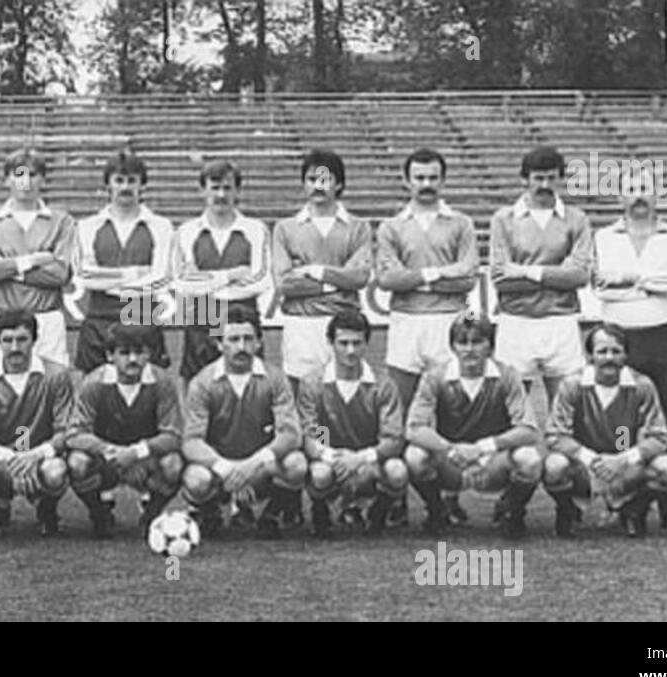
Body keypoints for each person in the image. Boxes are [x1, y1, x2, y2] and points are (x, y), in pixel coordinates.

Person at [376, 147, 480, 527]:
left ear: (443, 179)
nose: (426, 184)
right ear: (406, 180)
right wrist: (438, 275)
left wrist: (416, 276)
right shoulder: (391, 226)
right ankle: (397, 496)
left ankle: (449, 498)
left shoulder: (460, 223)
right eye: (419, 177)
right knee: (399, 412)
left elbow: (469, 275)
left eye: (433, 177)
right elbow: (388, 279)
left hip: (448, 322)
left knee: (447, 414)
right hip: (405, 324)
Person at [591, 167, 667, 532]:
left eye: (645, 188)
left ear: (657, 194)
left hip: (663, 333)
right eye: (630, 188)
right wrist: (651, 286)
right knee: (622, 422)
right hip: (619, 336)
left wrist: (632, 280)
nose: (638, 195)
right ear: (619, 196)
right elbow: (601, 289)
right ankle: (620, 501)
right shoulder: (603, 237)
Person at [404, 313, 543, 538]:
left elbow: (529, 430)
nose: (469, 349)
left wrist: (483, 447)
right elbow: (413, 428)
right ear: (452, 347)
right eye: (462, 342)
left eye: (477, 341)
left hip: (493, 462)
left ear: (490, 346)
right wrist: (449, 448)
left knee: (529, 457)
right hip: (452, 461)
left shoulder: (507, 375)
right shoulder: (435, 377)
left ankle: (511, 511)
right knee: (415, 455)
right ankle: (437, 511)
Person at [543, 324, 667, 538]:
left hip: (624, 465)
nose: (609, 358)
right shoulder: (572, 385)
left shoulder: (641, 386)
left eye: (616, 351)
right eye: (602, 351)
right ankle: (568, 511)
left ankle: (633, 510)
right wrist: (591, 459)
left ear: (625, 355)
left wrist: (622, 459)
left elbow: (660, 436)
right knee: (554, 466)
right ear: (590, 355)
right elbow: (555, 434)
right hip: (583, 467)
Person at [181, 305, 306, 539]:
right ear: (219, 344)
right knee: (195, 478)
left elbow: (291, 434)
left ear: (259, 342)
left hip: (260, 469)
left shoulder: (276, 379)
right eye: (233, 339)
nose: (241, 347)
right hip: (220, 471)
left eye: (248, 339)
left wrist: (252, 465)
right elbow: (191, 441)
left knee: (296, 463)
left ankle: (271, 516)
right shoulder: (202, 382)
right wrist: (226, 468)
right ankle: (211, 514)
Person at [489, 146, 593, 407]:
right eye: (538, 178)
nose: (545, 185)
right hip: (516, 320)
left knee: (566, 406)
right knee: (512, 407)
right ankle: (520, 450)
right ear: (525, 179)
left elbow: (579, 276)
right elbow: (501, 278)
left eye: (551, 178)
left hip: (562, 320)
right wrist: (557, 274)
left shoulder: (576, 219)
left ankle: (562, 449)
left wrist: (526, 271)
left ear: (560, 179)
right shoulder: (504, 219)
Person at [0, 309, 74, 538]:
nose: (14, 347)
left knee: (56, 471)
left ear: (34, 340)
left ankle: (47, 510)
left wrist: (36, 454)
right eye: (7, 340)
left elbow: (67, 430)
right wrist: (10, 457)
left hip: (39, 459)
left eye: (22, 339)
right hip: (1, 460)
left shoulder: (57, 375)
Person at [295, 310, 407, 537]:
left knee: (397, 471)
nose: (350, 350)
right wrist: (332, 456)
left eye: (357, 343)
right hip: (333, 461)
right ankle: (320, 511)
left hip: (369, 461)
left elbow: (392, 438)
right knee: (319, 473)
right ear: (330, 342)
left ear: (367, 344)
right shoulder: (313, 384)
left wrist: (360, 458)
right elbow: (313, 433)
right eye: (343, 343)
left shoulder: (383, 385)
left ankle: (378, 512)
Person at [65, 324, 184, 538]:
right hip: (107, 461)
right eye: (124, 353)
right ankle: (98, 513)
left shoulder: (162, 382)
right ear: (110, 355)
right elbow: (74, 434)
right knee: (77, 462)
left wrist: (137, 452)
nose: (132, 359)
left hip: (144, 461)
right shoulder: (94, 383)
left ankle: (151, 514)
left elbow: (174, 435)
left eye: (140, 352)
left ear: (149, 354)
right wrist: (110, 450)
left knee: (173, 464)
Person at [271, 149, 373, 389]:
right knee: (301, 397)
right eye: (311, 180)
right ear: (303, 184)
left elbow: (359, 277)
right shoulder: (285, 228)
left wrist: (313, 271)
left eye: (324, 180)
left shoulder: (358, 228)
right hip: (301, 325)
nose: (318, 186)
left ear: (338, 184)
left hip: (344, 324)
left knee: (342, 398)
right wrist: (337, 280)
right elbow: (285, 283)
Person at [0, 149, 77, 366]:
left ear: (43, 180)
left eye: (32, 174)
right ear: (6, 180)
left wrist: (6, 268)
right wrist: (32, 261)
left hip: (45, 317)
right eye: (19, 174)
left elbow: (59, 274)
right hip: (1, 317)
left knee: (49, 386)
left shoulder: (62, 221)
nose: (25, 181)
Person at [73, 151, 175, 373]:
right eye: (119, 180)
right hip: (100, 314)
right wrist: (132, 275)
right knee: (94, 388)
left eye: (132, 181)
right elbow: (84, 276)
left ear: (142, 185)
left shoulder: (161, 226)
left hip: (143, 313)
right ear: (108, 185)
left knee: (148, 389)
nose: (125, 187)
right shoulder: (88, 226)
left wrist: (108, 281)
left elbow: (162, 278)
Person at [171, 160, 272, 380]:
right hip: (201, 319)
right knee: (198, 387)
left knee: (249, 389)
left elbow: (261, 281)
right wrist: (230, 276)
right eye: (214, 187)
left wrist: (204, 282)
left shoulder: (255, 230)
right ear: (202, 190)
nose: (220, 194)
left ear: (237, 190)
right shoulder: (186, 232)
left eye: (227, 188)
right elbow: (180, 283)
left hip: (242, 319)